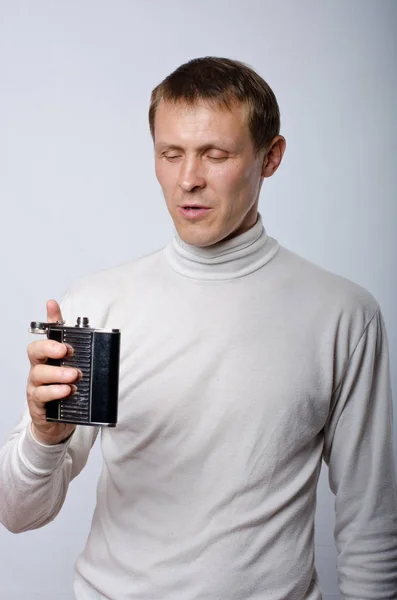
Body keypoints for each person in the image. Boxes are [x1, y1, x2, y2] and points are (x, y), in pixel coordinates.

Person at [0, 56, 396, 600]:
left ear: (271, 157)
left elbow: (370, 521)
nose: (189, 178)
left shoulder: (345, 315)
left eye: (216, 154)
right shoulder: (96, 305)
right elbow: (18, 514)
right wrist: (45, 439)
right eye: (171, 154)